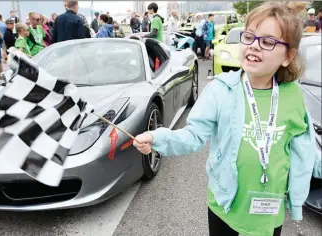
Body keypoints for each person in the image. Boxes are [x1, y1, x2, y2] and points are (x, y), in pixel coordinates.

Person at [133, 2, 321, 236]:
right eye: (249, 36)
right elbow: (193, 135)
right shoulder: (220, 90)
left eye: (268, 42)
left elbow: (304, 148)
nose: (254, 46)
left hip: (269, 210)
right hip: (225, 204)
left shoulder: (294, 96)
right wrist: (156, 137)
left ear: (288, 56)